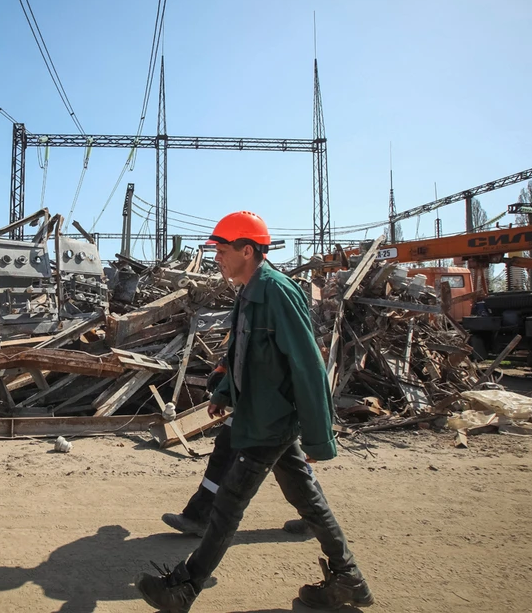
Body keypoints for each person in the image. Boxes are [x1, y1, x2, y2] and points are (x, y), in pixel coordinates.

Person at [135, 211, 374, 612]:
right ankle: (347, 577)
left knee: (228, 504)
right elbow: (241, 355)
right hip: (257, 414)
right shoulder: (248, 292)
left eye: (222, 250)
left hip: (271, 420)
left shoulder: (277, 292)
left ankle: (184, 588)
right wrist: (225, 390)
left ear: (248, 250)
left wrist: (320, 436)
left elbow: (308, 365)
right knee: (307, 498)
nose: (216, 259)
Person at [161, 364, 314, 539]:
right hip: (254, 401)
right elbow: (243, 347)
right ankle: (316, 518)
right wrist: (224, 381)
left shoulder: (288, 336)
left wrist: (318, 441)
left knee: (288, 464)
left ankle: (320, 523)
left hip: (271, 407)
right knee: (290, 464)